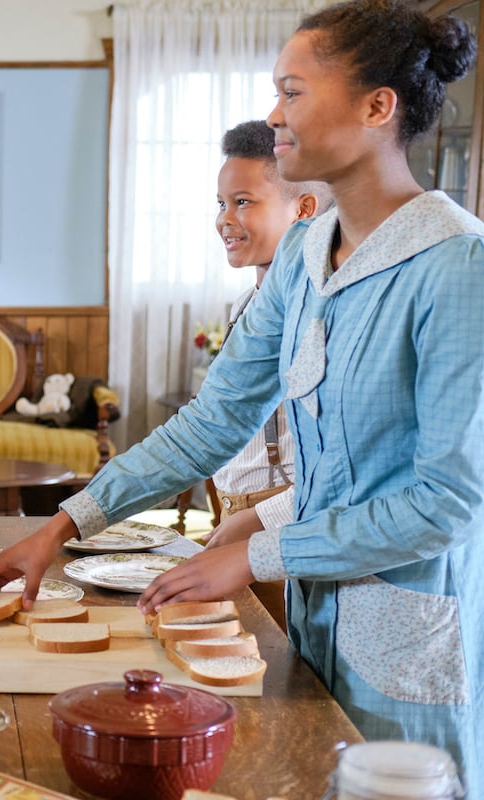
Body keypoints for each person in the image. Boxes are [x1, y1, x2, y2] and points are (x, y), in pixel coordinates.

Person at [0, 0, 482, 787]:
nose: (274, 116)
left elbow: (446, 503)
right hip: (311, 620)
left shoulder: (456, 266)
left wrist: (259, 555)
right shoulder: (306, 250)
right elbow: (214, 420)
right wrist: (61, 526)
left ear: (378, 107)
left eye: (293, 92)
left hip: (402, 638)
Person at [205, 119, 331, 626]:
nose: (224, 220)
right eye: (221, 203)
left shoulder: (318, 314)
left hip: (280, 523)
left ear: (303, 210)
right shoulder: (244, 304)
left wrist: (259, 520)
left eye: (243, 201)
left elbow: (334, 465)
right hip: (233, 513)